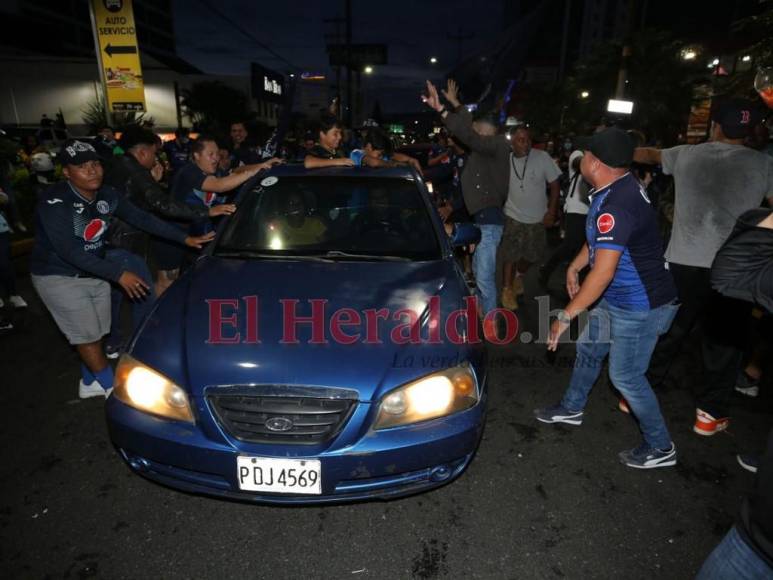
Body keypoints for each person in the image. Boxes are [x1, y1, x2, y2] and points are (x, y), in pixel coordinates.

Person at [534, 128, 679, 469]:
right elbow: (601, 240)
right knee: (589, 348)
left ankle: (661, 447)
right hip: (621, 298)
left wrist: (564, 316)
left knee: (626, 376)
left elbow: (603, 274)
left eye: (584, 154)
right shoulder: (617, 186)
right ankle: (572, 408)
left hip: (642, 306)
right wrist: (573, 266)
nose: (580, 159)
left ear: (594, 162)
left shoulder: (616, 203)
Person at [29, 140, 213, 399]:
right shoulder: (55, 202)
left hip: (95, 269)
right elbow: (68, 250)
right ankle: (111, 389)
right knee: (87, 337)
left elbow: (143, 219)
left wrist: (183, 239)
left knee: (99, 332)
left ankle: (88, 382)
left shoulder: (107, 195)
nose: (92, 170)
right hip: (59, 275)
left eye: (95, 164)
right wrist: (118, 274)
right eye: (82, 166)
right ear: (67, 173)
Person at [635, 98, 773, 436]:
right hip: (732, 271)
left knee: (666, 329)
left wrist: (621, 144)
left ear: (716, 127)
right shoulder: (764, 165)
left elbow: (647, 155)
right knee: (724, 342)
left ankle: (635, 394)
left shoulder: (685, 155)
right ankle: (708, 415)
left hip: (682, 260)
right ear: (749, 132)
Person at [102, 126, 237, 357]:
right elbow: (160, 205)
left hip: (117, 238)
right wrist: (207, 212)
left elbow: (143, 206)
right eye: (155, 154)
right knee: (141, 292)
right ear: (143, 152)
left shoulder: (121, 166)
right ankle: (140, 345)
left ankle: (115, 341)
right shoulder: (134, 170)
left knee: (117, 293)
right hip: (123, 242)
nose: (157, 159)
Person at [423, 79, 510, 333]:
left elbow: (467, 134)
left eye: (477, 132)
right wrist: (454, 106)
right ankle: (484, 314)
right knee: (480, 275)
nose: (472, 135)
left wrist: (444, 109)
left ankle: (491, 324)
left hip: (490, 219)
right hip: (481, 219)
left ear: (488, 133)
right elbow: (467, 133)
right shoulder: (482, 155)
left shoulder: (498, 146)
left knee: (483, 276)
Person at [152, 136, 280, 293]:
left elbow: (235, 172)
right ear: (196, 156)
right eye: (210, 154)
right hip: (171, 234)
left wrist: (262, 165)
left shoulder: (214, 172)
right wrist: (257, 170)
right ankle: (158, 316)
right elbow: (219, 186)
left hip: (195, 236)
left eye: (217, 154)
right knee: (167, 282)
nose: (216, 158)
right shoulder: (189, 171)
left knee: (191, 284)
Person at [500, 125, 562, 310]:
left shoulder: (542, 158)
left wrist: (551, 212)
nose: (525, 143)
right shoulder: (505, 160)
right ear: (512, 142)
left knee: (532, 255)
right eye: (520, 139)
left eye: (527, 139)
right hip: (512, 215)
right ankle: (506, 290)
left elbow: (555, 185)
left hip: (537, 218)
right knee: (510, 254)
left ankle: (519, 275)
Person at [539, 150, 590, 289]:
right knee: (569, 246)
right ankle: (546, 270)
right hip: (575, 209)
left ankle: (574, 282)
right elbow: (577, 163)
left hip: (590, 211)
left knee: (584, 249)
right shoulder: (577, 154)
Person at [349, 129, 422, 173]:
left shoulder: (380, 158)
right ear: (369, 147)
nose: (381, 157)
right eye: (379, 154)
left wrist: (411, 160)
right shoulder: (356, 154)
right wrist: (393, 164)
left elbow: (392, 155)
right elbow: (374, 163)